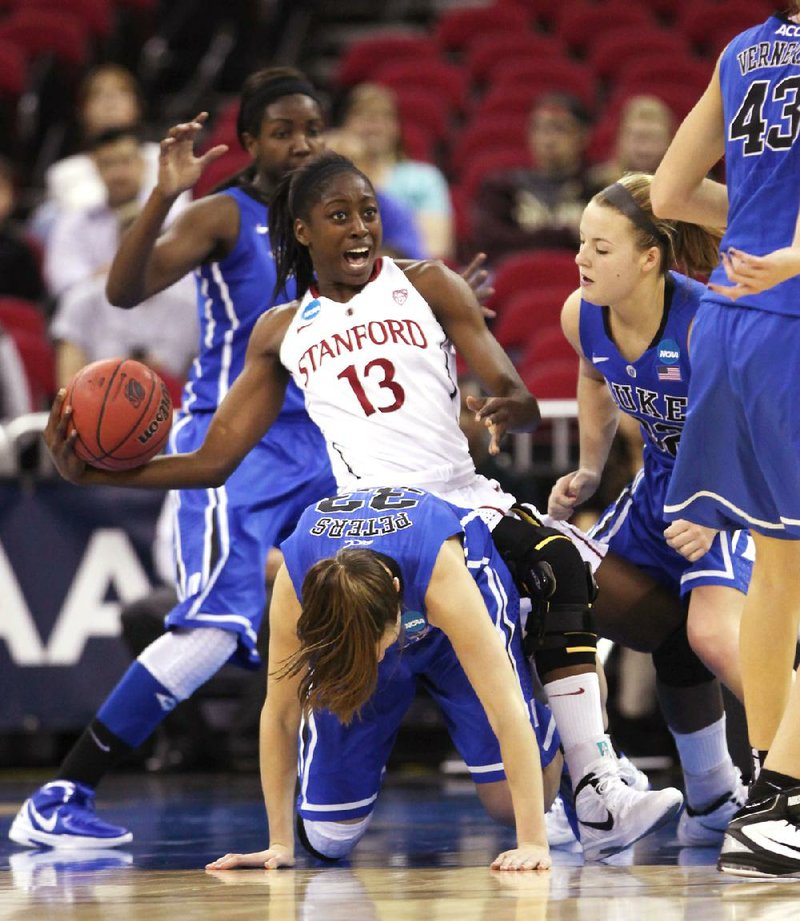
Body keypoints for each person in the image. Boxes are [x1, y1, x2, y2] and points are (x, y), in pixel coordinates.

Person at [34, 151, 684, 861]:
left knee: (568, 566)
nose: (359, 227)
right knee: (325, 839)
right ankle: (525, 743)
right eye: (339, 215)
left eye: (368, 211)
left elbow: (517, 397)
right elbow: (215, 459)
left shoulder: (430, 284)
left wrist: (508, 407)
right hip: (372, 533)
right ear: (303, 230)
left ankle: (595, 784)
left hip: (460, 503)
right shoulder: (281, 330)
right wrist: (98, 474)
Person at [8, 67, 337, 852]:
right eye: (283, 131)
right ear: (251, 142)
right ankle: (61, 793)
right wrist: (162, 196)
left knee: (400, 596)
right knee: (214, 627)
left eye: (311, 130)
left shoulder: (331, 214)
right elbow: (122, 290)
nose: (300, 145)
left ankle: (534, 784)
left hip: (324, 444)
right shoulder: (222, 214)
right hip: (234, 441)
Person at [548, 172, 751, 845]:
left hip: (736, 496)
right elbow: (592, 372)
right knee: (553, 592)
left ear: (649, 258)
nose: (582, 259)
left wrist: (716, 505)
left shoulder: (704, 324)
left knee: (713, 637)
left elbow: (760, 427)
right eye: (581, 243)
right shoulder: (582, 313)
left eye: (601, 249)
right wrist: (588, 464)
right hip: (657, 496)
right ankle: (681, 794)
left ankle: (783, 782)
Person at [208, 486, 559, 871]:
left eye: (375, 643)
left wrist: (532, 843)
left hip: (447, 625)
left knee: (514, 803)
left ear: (396, 592)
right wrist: (278, 843)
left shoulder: (442, 576)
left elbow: (505, 711)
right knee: (327, 839)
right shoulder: (297, 583)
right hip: (379, 612)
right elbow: (279, 714)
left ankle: (561, 740)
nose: (376, 658)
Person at [650, 5, 800, 877]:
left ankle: (767, 805)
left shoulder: (744, 49)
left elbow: (669, 195)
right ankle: (785, 795)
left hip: (728, 320)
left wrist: (760, 236)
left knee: (780, 565)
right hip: (789, 313)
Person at [472, 92, 598, 266]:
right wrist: (567, 234)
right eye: (539, 128)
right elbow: (490, 246)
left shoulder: (598, 188)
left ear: (583, 136)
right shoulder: (502, 187)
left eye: (559, 128)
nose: (548, 139)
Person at [338, 83, 454, 260]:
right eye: (362, 115)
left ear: (397, 126)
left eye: (383, 116)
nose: (373, 126)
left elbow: (435, 248)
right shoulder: (329, 181)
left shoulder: (424, 179)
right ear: (344, 125)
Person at [587, 95, 675, 190]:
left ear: (669, 142)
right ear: (621, 138)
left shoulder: (680, 189)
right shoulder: (595, 185)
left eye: (654, 139)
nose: (645, 149)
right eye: (639, 137)